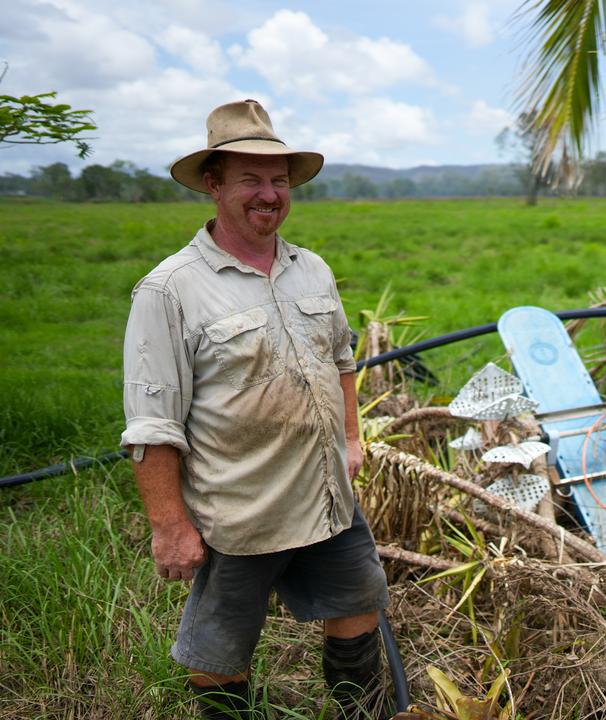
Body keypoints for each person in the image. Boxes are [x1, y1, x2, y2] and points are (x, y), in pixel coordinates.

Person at [121, 99, 389, 719]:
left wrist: (350, 438)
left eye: (278, 179)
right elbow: (152, 422)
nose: (268, 194)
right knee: (220, 654)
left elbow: (341, 362)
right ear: (213, 185)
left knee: (357, 608)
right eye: (251, 179)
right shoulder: (170, 290)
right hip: (239, 511)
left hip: (326, 495)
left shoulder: (311, 270)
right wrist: (169, 524)